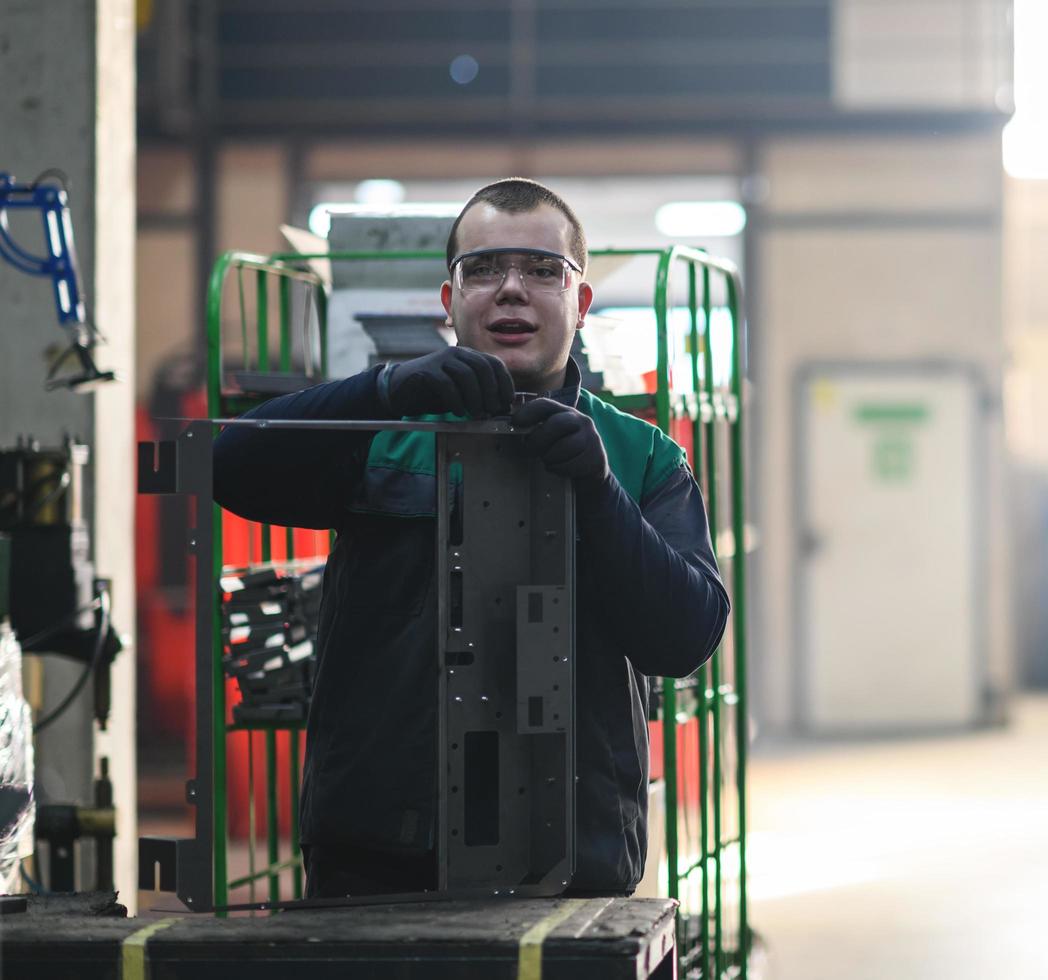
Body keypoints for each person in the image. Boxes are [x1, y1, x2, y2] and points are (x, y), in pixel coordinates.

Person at [213, 178, 730, 898]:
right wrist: (382, 390)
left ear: (581, 304)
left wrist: (597, 491)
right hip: (379, 848)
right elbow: (226, 466)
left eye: (543, 270)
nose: (511, 288)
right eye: (483, 269)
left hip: (574, 853)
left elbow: (685, 639)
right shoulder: (380, 433)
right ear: (449, 303)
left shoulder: (642, 457)